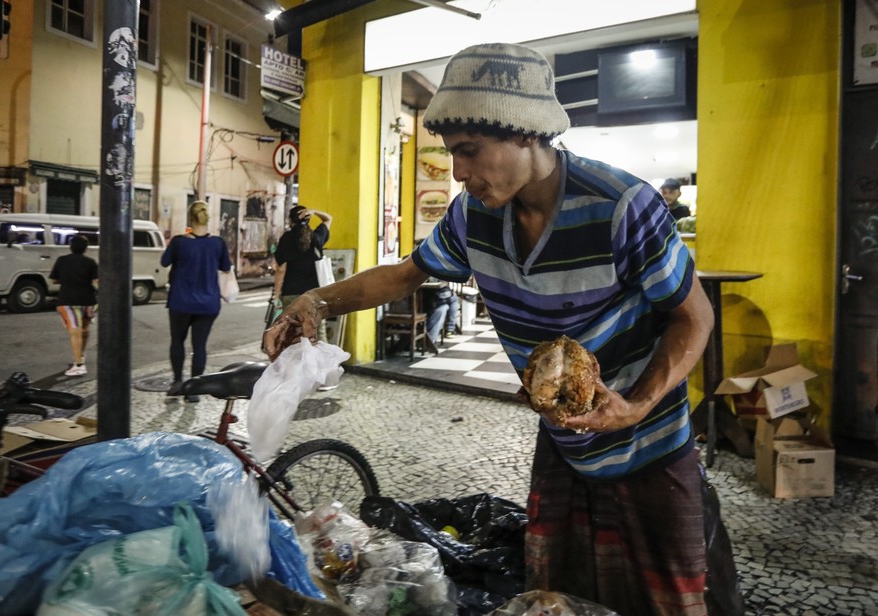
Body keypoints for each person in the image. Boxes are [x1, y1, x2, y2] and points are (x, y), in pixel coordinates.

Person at [263, 42, 740, 614]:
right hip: (564, 449)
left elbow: (696, 315)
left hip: (650, 451)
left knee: (666, 601)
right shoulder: (473, 215)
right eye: (452, 154)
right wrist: (315, 301)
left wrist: (636, 404)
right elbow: (405, 276)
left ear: (527, 133)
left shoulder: (621, 206)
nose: (459, 172)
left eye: (469, 151)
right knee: (559, 600)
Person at [161, 200, 232, 403]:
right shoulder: (218, 243)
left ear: (190, 218)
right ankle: (193, 389)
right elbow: (226, 267)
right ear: (207, 219)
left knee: (177, 341)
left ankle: (177, 382)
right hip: (208, 303)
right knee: (199, 346)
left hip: (180, 302)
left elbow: (164, 262)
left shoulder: (179, 242)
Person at [273, 205, 333, 344]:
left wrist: (276, 296)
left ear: (290, 221)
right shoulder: (317, 237)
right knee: (317, 332)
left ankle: (298, 364)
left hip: (291, 293)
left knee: (293, 333)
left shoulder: (286, 238)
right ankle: (322, 364)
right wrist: (314, 211)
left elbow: (281, 269)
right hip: (314, 294)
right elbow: (328, 218)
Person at [49, 235, 98, 377]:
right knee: (85, 329)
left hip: (68, 300)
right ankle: (80, 356)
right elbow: (96, 281)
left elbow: (53, 280)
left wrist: (66, 280)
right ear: (86, 248)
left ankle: (79, 365)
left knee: (74, 332)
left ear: (70, 246)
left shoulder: (62, 260)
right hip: (88, 300)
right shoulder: (90, 262)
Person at [425, 280, 460, 345]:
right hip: (433, 296)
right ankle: (450, 329)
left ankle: (450, 328)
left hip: (433, 295)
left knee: (446, 305)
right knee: (453, 300)